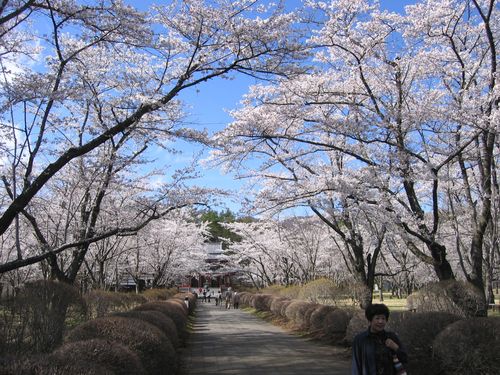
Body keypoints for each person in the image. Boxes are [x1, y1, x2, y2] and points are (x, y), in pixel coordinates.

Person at [351, 303, 407, 375]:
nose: (380, 321)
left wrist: (395, 347)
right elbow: (356, 366)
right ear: (370, 320)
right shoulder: (360, 340)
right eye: (377, 318)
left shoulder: (391, 337)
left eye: (383, 318)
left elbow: (404, 358)